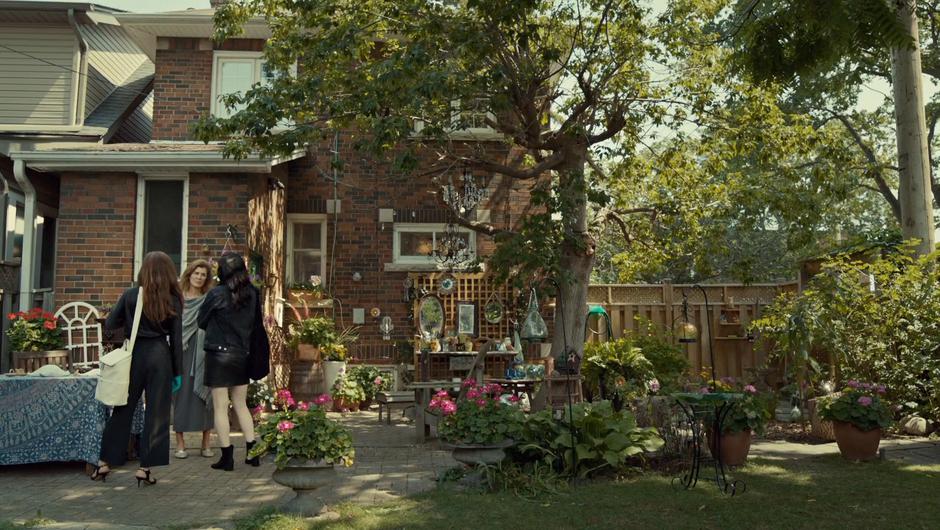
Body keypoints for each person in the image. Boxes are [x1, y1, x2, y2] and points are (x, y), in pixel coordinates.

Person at [92, 251, 183, 487]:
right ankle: (145, 468)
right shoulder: (172, 299)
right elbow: (176, 337)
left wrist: (129, 329)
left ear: (144, 270)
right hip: (161, 356)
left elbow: (110, 325)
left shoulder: (131, 295)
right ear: (168, 273)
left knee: (123, 408)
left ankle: (104, 462)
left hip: (134, 355)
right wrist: (178, 372)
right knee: (157, 414)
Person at [199, 252, 261, 471]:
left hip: (218, 354)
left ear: (222, 271)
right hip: (241, 354)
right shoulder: (253, 294)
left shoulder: (217, 293)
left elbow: (201, 321)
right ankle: (252, 452)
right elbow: (255, 325)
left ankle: (227, 457)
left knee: (220, 406)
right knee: (241, 404)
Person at [173, 259, 215, 459]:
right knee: (180, 396)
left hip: (202, 352)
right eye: (196, 273)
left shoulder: (208, 299)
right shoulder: (178, 299)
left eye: (203, 275)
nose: (199, 277)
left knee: (204, 396)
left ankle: (205, 443)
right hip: (181, 351)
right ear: (189, 275)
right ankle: (180, 443)